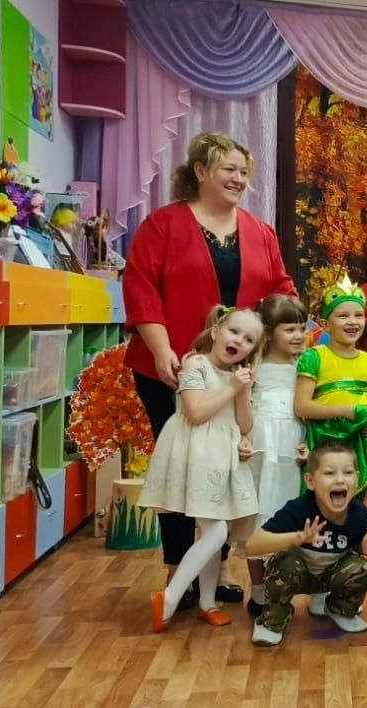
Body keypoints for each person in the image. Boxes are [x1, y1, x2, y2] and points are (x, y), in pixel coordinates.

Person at [125, 132, 296, 611]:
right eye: (229, 169)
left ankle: (215, 570)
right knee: (183, 466)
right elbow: (141, 288)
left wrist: (291, 339)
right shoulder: (163, 225)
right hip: (171, 370)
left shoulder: (261, 233)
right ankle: (176, 570)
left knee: (225, 467)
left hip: (235, 377)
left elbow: (281, 291)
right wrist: (162, 350)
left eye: (244, 172)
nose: (239, 179)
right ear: (201, 171)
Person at [141, 307, 264, 632]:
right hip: (195, 454)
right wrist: (232, 388)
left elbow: (245, 424)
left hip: (222, 457)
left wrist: (243, 392)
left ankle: (207, 603)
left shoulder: (238, 376)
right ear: (215, 332)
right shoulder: (194, 363)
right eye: (234, 332)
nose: (239, 340)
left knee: (214, 532)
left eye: (248, 339)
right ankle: (169, 597)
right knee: (217, 532)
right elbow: (196, 413)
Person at [246, 442, 367, 646]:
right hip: (298, 575)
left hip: (329, 577)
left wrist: (366, 548)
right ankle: (273, 620)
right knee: (284, 565)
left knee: (362, 568)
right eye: (329, 473)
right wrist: (297, 538)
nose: (340, 479)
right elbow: (252, 546)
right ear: (310, 481)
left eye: (347, 473)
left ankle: (339, 609)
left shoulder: (361, 515)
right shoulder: (298, 509)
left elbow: (356, 545)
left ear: (357, 478)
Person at [245, 295, 310, 617]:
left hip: (291, 445)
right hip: (260, 443)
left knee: (286, 510)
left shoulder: (305, 365)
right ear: (270, 333)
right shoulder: (254, 366)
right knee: (257, 514)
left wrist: (308, 441)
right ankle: (258, 591)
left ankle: (284, 586)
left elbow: (308, 409)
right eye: (290, 329)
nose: (298, 335)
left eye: (302, 328)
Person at [295, 278, 367, 489]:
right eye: (343, 316)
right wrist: (347, 411)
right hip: (322, 443)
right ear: (326, 324)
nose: (352, 321)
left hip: (356, 445)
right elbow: (301, 406)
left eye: (358, 315)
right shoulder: (314, 357)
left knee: (352, 495)